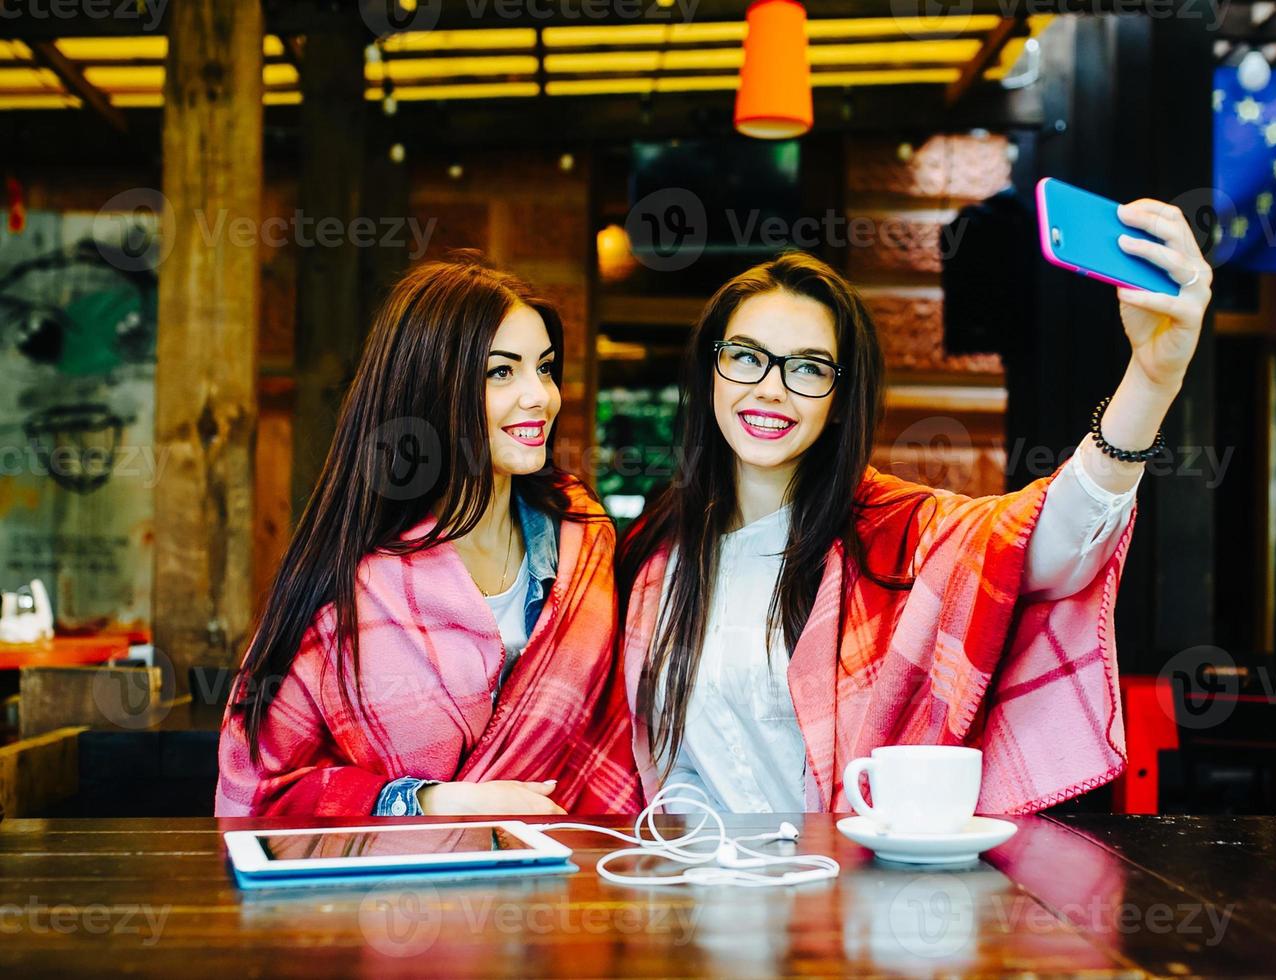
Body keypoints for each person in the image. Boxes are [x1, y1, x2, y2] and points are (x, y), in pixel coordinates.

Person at [617, 200, 1212, 814]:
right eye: (745, 356)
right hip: (688, 896)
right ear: (711, 370)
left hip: (848, 897)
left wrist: (1151, 377)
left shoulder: (901, 532)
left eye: (808, 367)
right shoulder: (656, 556)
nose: (770, 386)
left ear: (842, 399)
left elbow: (1051, 545)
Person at [216, 252, 639, 817]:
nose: (540, 395)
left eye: (545, 366)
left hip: (567, 880)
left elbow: (624, 736)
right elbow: (263, 787)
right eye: (501, 371)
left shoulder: (584, 545)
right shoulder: (352, 584)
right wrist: (432, 802)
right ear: (432, 390)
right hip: (393, 895)